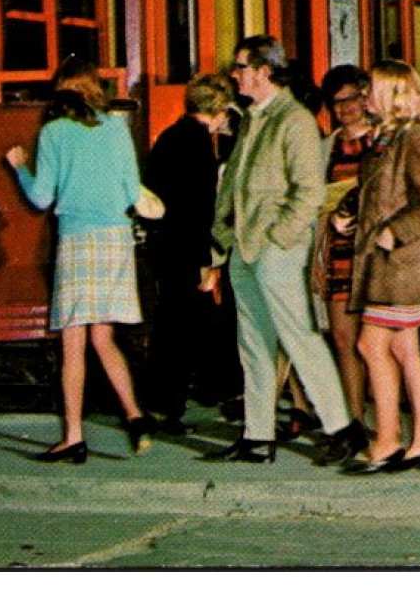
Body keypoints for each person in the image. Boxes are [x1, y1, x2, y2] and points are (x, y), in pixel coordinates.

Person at [202, 36, 366, 465]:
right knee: (253, 343)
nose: (234, 75)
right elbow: (234, 182)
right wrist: (223, 235)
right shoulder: (252, 118)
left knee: (299, 338)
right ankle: (258, 436)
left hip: (275, 248)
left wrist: (280, 237)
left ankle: (342, 428)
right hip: (244, 247)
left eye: (240, 67)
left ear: (264, 71)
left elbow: (310, 191)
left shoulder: (293, 120)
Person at [5, 57, 155, 463]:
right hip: (115, 241)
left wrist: (20, 168)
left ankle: (73, 436)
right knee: (103, 339)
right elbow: (130, 192)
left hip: (78, 239)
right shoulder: (116, 128)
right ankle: (135, 416)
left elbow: (40, 198)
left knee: (73, 344)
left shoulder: (53, 132)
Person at [334, 60, 420, 474]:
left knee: (370, 346)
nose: (365, 96)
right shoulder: (384, 139)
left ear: (395, 94)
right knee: (402, 349)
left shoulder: (413, 138)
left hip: (402, 267)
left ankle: (389, 442)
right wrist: (347, 212)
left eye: (372, 89)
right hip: (385, 267)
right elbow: (377, 193)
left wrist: (394, 232)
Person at [141, 72, 242, 435]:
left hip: (165, 246)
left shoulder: (169, 137)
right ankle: (167, 407)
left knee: (173, 327)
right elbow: (201, 209)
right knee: (180, 332)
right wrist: (206, 262)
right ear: (217, 109)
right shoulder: (199, 145)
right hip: (187, 250)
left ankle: (163, 405)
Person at [310, 63, 375, 428]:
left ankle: (386, 422)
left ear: (364, 98)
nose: (345, 108)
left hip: (375, 252)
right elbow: (319, 206)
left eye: (351, 99)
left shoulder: (382, 139)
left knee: (376, 342)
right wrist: (317, 258)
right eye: (337, 103)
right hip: (338, 251)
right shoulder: (328, 147)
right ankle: (354, 423)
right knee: (343, 338)